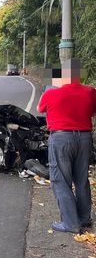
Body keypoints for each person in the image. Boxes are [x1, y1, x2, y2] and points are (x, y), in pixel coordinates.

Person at [37, 58, 96, 233]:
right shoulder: (91, 92)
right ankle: (85, 219)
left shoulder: (51, 93)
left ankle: (70, 223)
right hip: (85, 138)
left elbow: (40, 109)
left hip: (61, 139)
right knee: (81, 179)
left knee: (60, 181)